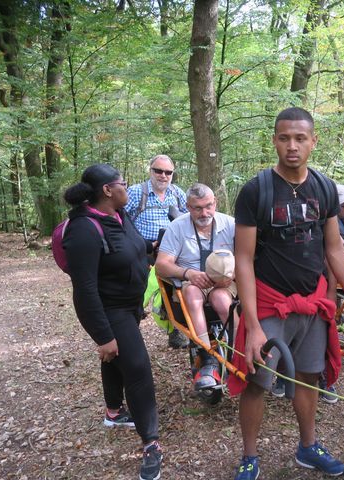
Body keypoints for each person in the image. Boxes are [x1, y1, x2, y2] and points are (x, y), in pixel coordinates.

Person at [229, 107, 344, 480]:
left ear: (313, 141)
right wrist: (254, 324)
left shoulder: (324, 187)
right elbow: (243, 260)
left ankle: (308, 447)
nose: (292, 146)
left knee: (309, 376)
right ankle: (249, 457)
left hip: (313, 302)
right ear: (275, 140)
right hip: (269, 302)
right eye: (284, 137)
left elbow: (334, 249)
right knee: (258, 381)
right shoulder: (256, 190)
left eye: (300, 138)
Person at [62, 164, 163, 480]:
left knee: (117, 359)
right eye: (123, 183)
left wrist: (154, 247)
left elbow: (133, 245)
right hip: (110, 311)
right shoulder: (84, 230)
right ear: (107, 189)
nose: (128, 188)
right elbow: (85, 290)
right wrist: (103, 336)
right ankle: (151, 444)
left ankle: (114, 412)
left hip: (130, 306)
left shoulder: (120, 215)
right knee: (137, 368)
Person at [155, 183, 236, 389]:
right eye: (197, 208)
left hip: (224, 284)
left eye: (208, 206)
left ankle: (239, 348)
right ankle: (206, 354)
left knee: (221, 299)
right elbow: (161, 265)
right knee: (191, 293)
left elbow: (248, 258)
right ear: (188, 207)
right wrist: (188, 273)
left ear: (215, 203)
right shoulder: (178, 227)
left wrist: (231, 275)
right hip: (191, 282)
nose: (204, 212)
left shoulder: (230, 224)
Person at [125, 154, 189, 349]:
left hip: (171, 252)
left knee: (176, 291)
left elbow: (188, 221)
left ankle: (175, 330)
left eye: (168, 172)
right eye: (158, 171)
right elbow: (122, 222)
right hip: (143, 251)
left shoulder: (177, 194)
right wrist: (141, 244)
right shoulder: (136, 192)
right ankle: (129, 332)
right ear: (150, 171)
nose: (163, 175)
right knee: (137, 292)